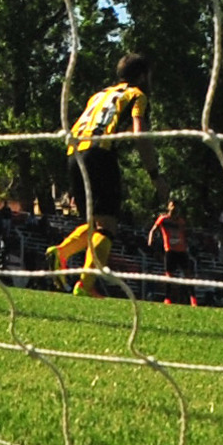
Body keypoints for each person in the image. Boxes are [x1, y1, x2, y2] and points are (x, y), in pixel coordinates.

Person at [67, 51, 152, 231]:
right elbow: (139, 135)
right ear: (143, 76)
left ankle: (60, 253)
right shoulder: (137, 95)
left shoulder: (99, 95)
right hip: (100, 153)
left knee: (92, 226)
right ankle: (64, 253)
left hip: (74, 154)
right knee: (108, 225)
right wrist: (155, 174)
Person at [147, 196, 188, 306]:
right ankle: (168, 298)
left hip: (181, 250)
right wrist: (151, 238)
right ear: (168, 207)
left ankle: (192, 299)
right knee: (169, 275)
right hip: (170, 250)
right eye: (172, 205)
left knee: (188, 274)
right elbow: (153, 229)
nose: (174, 207)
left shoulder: (180, 221)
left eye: (176, 205)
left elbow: (184, 233)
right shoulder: (163, 219)